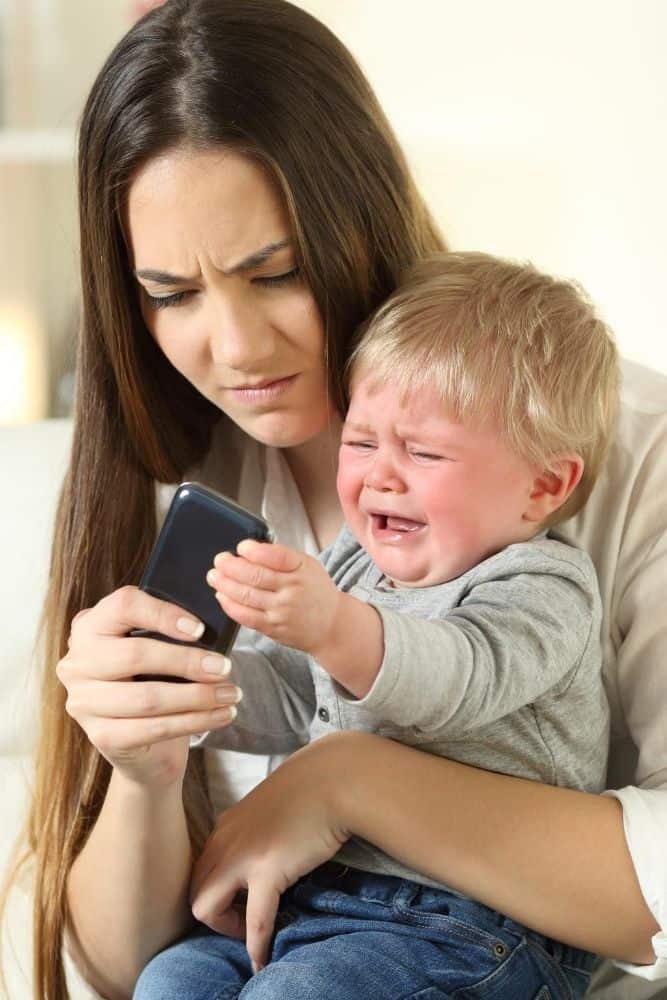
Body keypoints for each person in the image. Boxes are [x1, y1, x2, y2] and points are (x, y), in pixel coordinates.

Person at [1, 1, 665, 998]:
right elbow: (112, 968)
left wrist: (348, 782)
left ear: (358, 218)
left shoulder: (613, 441)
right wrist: (144, 760)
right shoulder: (174, 479)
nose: (232, 349)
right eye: (171, 293)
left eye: (276, 272)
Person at [132, 250, 616, 998]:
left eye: (422, 451)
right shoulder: (357, 564)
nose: (379, 474)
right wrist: (196, 684)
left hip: (476, 926)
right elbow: (303, 696)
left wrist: (331, 624)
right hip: (320, 903)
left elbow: (457, 677)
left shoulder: (543, 585)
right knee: (174, 979)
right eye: (360, 442)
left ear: (541, 486)